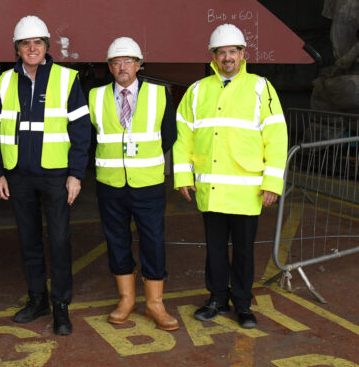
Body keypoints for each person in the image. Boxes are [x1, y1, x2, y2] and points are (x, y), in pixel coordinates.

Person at [173, 23, 287, 329]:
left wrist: (272, 183)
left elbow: (276, 137)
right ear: (213, 56)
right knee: (215, 250)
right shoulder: (197, 91)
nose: (227, 58)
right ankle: (216, 299)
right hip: (210, 189)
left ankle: (243, 305)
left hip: (247, 190)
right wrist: (183, 176)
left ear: (243, 54)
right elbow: (183, 136)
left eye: (233, 52)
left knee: (245, 251)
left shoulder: (261, 88)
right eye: (221, 52)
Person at [0, 15, 90, 336]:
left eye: (38, 43)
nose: (32, 49)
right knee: (29, 240)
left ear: (47, 46)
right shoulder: (4, 82)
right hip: (18, 176)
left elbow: (81, 130)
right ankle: (37, 300)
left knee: (59, 240)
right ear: (17, 49)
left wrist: (76, 173)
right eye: (25, 44)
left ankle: (60, 305)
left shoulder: (66, 79)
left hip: (56, 176)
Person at [88, 37, 179, 331]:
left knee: (152, 241)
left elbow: (169, 135)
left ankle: (155, 303)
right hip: (110, 183)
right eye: (116, 62)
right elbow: (89, 138)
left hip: (147, 182)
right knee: (117, 240)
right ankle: (126, 299)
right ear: (109, 68)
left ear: (139, 64)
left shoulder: (160, 94)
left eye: (128, 61)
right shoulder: (94, 96)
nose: (122, 67)